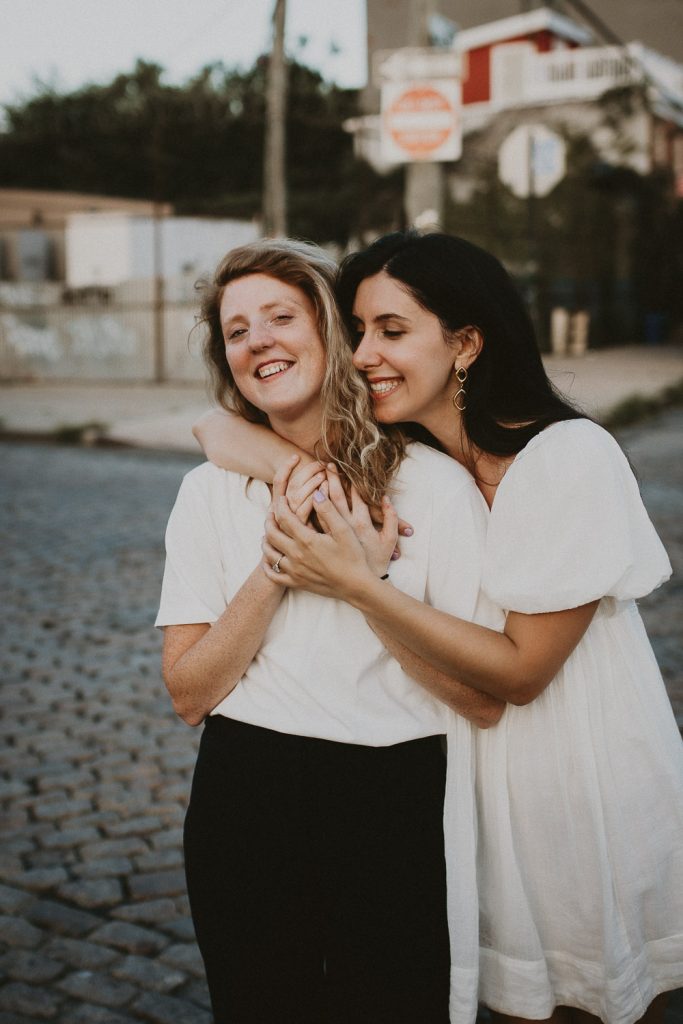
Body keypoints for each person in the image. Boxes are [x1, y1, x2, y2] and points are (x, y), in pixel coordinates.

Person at [194, 231, 683, 1024]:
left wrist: (358, 581)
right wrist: (292, 473)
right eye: (354, 330)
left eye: (391, 330)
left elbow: (523, 674)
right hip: (465, 791)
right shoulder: (416, 460)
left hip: (573, 779)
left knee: (591, 1000)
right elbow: (215, 430)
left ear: (464, 345)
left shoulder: (566, 457)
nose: (361, 354)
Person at [156, 238, 504, 1024]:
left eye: (281, 316)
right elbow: (187, 692)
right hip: (243, 792)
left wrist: (360, 580)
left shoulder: (435, 488)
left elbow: (482, 701)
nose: (258, 342)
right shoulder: (207, 493)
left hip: (393, 795)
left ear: (329, 331)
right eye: (236, 331)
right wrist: (280, 562)